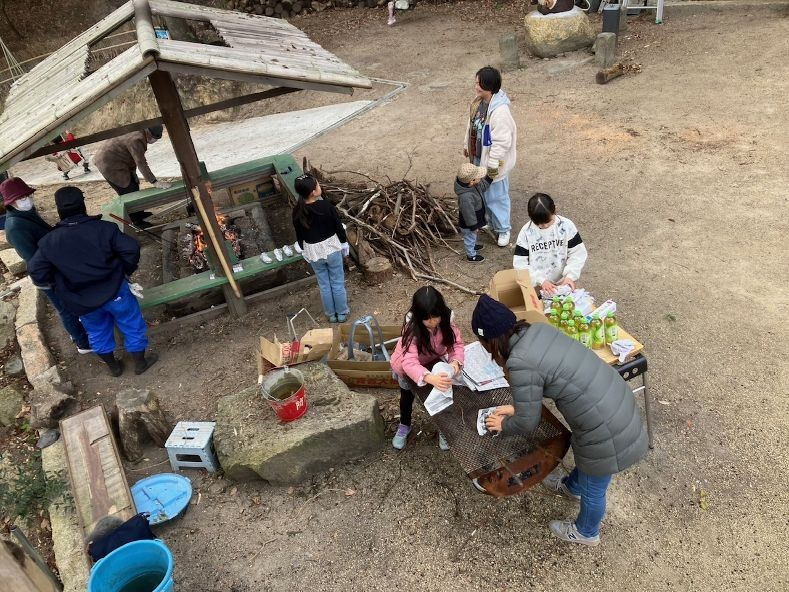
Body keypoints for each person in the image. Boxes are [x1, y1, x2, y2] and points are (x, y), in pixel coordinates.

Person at [470, 294, 648, 545]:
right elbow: (547, 378)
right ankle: (572, 487)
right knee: (589, 465)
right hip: (612, 399)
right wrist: (515, 407)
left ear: (489, 340)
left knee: (595, 485)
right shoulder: (538, 331)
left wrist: (505, 424)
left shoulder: (520, 362)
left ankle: (587, 532)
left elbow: (527, 423)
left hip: (606, 425)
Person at [27, 187, 158, 377]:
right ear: (83, 204)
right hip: (115, 291)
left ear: (58, 209)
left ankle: (114, 367)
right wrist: (123, 270)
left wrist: (61, 284)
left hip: (81, 300)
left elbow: (36, 271)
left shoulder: (49, 242)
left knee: (96, 332)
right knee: (131, 324)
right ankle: (140, 364)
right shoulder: (104, 228)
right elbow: (131, 248)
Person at [0, 177, 91, 353]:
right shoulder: (15, 226)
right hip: (47, 275)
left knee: (70, 305)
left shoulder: (26, 212)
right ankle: (82, 343)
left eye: (27, 195)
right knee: (65, 310)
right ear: (11, 203)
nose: (28, 200)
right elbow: (33, 258)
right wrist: (55, 275)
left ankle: (80, 332)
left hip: (54, 267)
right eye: (22, 198)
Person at [389, 286, 465, 450]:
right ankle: (405, 424)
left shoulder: (447, 323)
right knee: (406, 397)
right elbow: (408, 362)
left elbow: (456, 345)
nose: (432, 322)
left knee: (442, 394)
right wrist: (429, 378)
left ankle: (443, 428)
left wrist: (455, 362)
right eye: (427, 319)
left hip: (432, 361)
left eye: (435, 317)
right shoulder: (412, 331)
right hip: (406, 368)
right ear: (418, 316)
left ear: (442, 312)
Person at [463, 66, 517, 247]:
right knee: (483, 193)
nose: (476, 86)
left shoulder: (500, 112)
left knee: (497, 195)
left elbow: (502, 142)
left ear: (489, 86)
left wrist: (492, 166)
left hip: (493, 163)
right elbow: (472, 125)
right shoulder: (479, 102)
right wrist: (467, 145)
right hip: (480, 158)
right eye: (476, 82)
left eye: (479, 83)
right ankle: (491, 222)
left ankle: (503, 229)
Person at [292, 173, 350, 323]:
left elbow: (299, 234)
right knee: (337, 281)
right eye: (317, 185)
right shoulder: (325, 206)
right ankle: (342, 312)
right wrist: (343, 242)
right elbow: (338, 227)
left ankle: (330, 314)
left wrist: (303, 249)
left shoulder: (297, 211)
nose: (319, 186)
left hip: (313, 251)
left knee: (324, 284)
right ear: (313, 192)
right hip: (331, 248)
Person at [513, 193, 588, 296]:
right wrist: (540, 280)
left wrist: (570, 275)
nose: (545, 226)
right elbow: (520, 264)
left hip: (564, 281)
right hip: (537, 285)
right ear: (530, 217)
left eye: (548, 221)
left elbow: (577, 253)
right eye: (539, 224)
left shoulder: (566, 226)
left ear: (555, 210)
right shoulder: (526, 232)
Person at [93, 125, 169, 228]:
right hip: (109, 164)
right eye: (155, 138)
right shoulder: (136, 139)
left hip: (118, 160)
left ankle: (139, 213)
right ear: (149, 135)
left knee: (134, 184)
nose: (153, 141)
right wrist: (154, 181)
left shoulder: (139, 131)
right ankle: (137, 221)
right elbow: (141, 162)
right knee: (128, 191)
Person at [454, 162, 491, 263]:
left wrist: (489, 178)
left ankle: (473, 246)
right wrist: (473, 226)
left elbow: (483, 187)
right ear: (471, 181)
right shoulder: (466, 197)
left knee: (472, 236)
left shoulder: (471, 185)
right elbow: (468, 214)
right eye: (478, 177)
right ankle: (471, 256)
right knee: (470, 237)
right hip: (469, 223)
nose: (480, 179)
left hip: (474, 220)